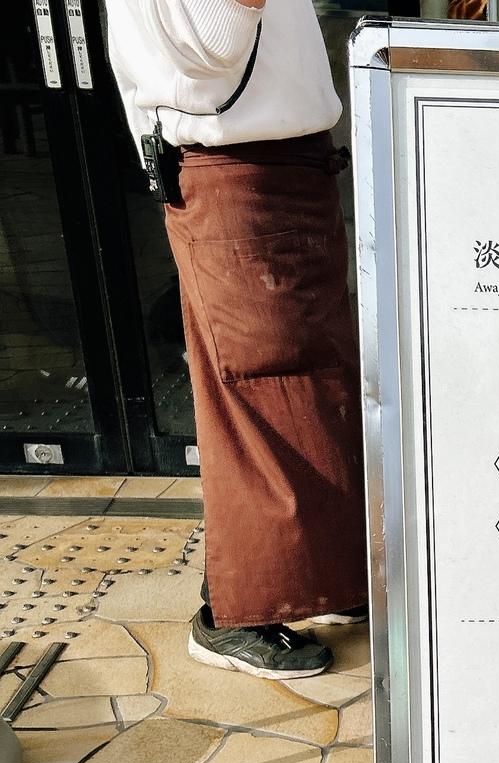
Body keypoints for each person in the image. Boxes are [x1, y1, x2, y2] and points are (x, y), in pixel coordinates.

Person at [104, 0, 368, 679]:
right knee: (260, 389)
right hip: (233, 170)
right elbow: (213, 47)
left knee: (317, 382)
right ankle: (231, 614)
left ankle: (321, 578)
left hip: (290, 165)